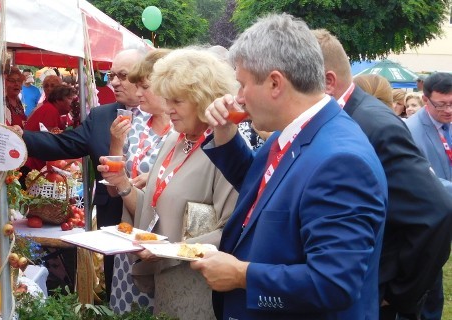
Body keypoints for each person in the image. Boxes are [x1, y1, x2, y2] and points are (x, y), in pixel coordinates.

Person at [196, 14, 387, 319]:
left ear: (275, 83)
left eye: (243, 84)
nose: (238, 98)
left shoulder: (340, 162)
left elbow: (333, 284)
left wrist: (242, 275)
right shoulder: (298, 130)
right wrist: (224, 131)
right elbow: (265, 191)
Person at [315, 29, 452, 320]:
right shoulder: (351, 116)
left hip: (373, 295)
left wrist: (397, 294)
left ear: (327, 81)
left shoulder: (374, 124)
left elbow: (435, 212)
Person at [100, 48, 238, 319]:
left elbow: (233, 231)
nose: (168, 108)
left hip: (200, 291)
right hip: (165, 287)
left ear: (203, 99)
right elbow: (152, 212)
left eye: (177, 100)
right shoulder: (173, 140)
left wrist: (169, 251)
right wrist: (124, 184)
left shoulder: (225, 150)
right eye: (167, 98)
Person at [21, 48, 145, 299]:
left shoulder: (167, 116)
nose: (114, 82)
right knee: (118, 291)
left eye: (122, 75)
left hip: (154, 220)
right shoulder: (101, 116)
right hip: (114, 221)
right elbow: (62, 144)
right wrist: (20, 137)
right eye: (112, 75)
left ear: (144, 76)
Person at [106, 48, 172, 314]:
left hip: (164, 243)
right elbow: (113, 188)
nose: (138, 92)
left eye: (144, 86)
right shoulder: (134, 123)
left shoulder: (186, 130)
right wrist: (116, 143)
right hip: (130, 241)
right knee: (127, 308)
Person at [406, 72, 452, 320]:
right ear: (426, 100)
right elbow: (424, 179)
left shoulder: (449, 123)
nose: (448, 110)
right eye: (442, 104)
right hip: (427, 221)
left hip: (445, 215)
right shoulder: (410, 131)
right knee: (428, 289)